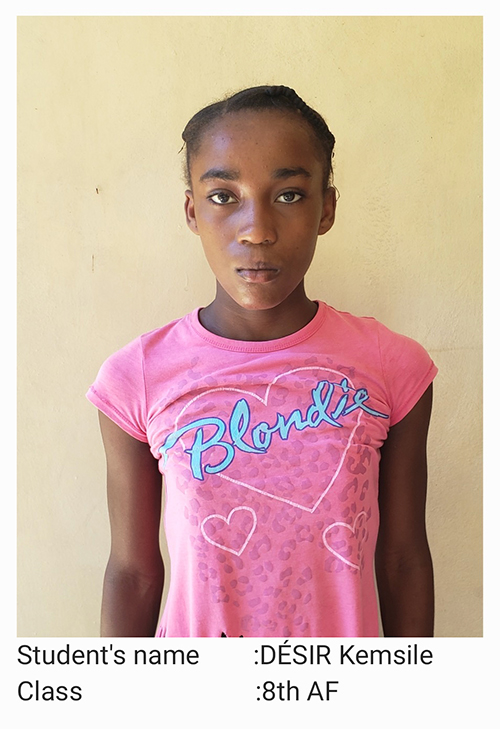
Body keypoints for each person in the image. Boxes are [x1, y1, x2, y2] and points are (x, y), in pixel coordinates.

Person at [87, 85, 437, 638]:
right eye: (224, 196)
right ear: (191, 211)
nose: (257, 230)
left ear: (327, 208)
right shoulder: (138, 378)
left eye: (290, 194)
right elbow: (132, 574)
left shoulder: (391, 366)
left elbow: (402, 561)